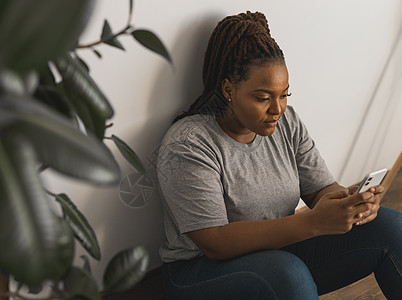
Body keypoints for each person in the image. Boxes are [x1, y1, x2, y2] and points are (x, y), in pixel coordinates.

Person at [156, 11, 402, 300]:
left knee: (389, 227)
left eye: (284, 95)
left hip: (279, 253)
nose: (277, 109)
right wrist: (312, 223)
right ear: (228, 90)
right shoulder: (189, 144)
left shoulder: (285, 123)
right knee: (286, 274)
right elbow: (215, 242)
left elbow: (321, 189)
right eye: (263, 98)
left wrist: (348, 204)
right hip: (200, 271)